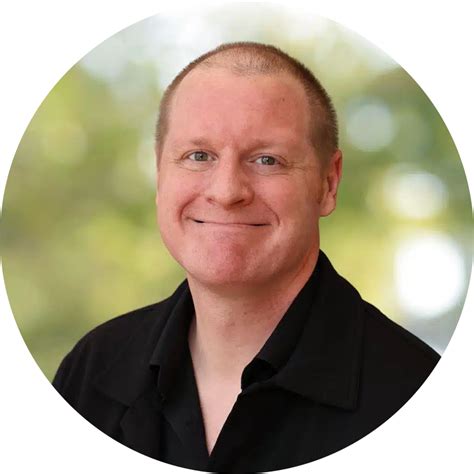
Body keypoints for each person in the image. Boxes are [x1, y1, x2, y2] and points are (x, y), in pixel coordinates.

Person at [53, 42, 440, 472]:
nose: (226, 191)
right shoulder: (90, 373)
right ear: (160, 174)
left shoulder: (422, 401)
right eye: (198, 156)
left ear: (328, 184)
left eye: (267, 160)